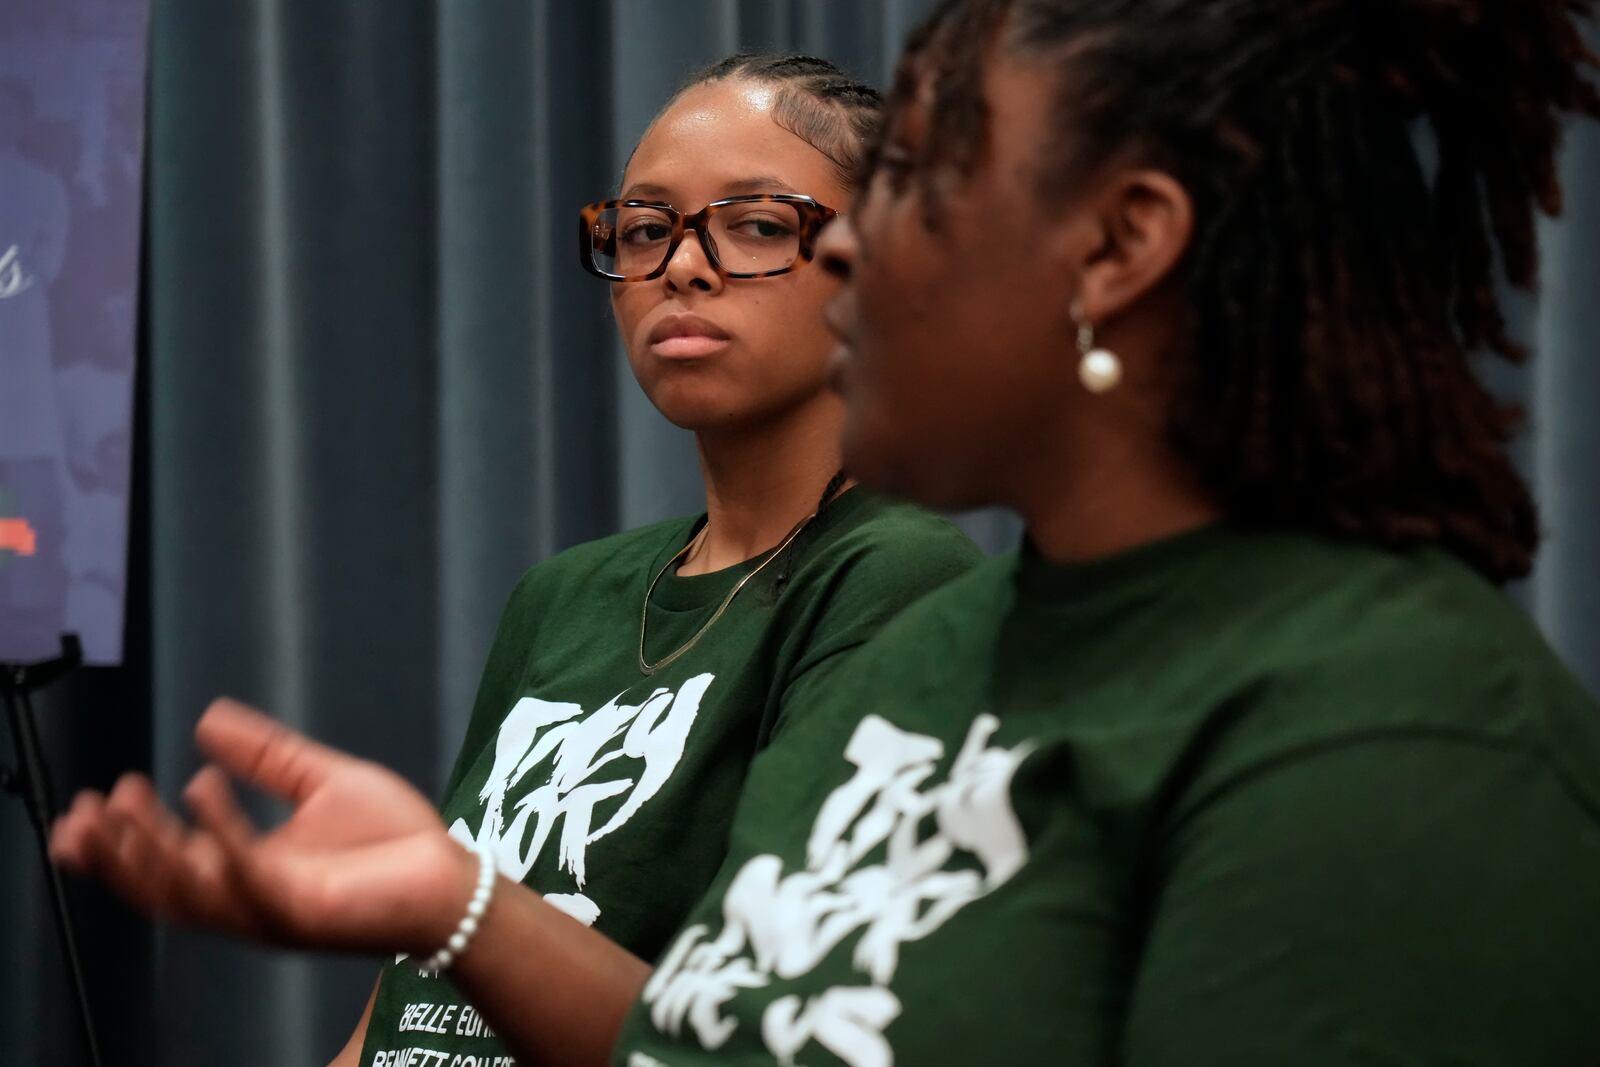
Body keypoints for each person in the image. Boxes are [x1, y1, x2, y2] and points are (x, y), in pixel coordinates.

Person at [52, 0, 1600, 1064]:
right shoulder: (951, 655)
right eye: (645, 231)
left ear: (1122, 248)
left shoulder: (1396, 734)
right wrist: (441, 904)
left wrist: (460, 908)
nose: (844, 244)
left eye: (914, 180)